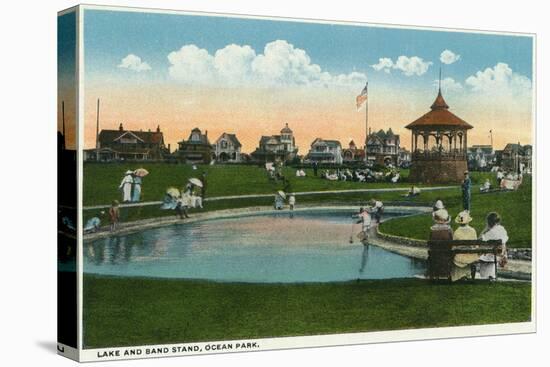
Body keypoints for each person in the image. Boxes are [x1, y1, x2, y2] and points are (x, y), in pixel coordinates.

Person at [479, 212, 509, 279]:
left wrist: (485, 229)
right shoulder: (502, 229)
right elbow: (504, 241)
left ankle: (486, 277)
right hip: (498, 254)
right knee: (491, 252)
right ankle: (491, 276)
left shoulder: (489, 232)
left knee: (485, 253)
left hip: (488, 255)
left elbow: (480, 240)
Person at [451, 211, 478, 281]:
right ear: (468, 221)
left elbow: (453, 246)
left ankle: (460, 276)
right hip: (471, 256)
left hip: (459, 257)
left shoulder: (457, 232)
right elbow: (475, 245)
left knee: (455, 255)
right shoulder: (472, 230)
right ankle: (468, 275)